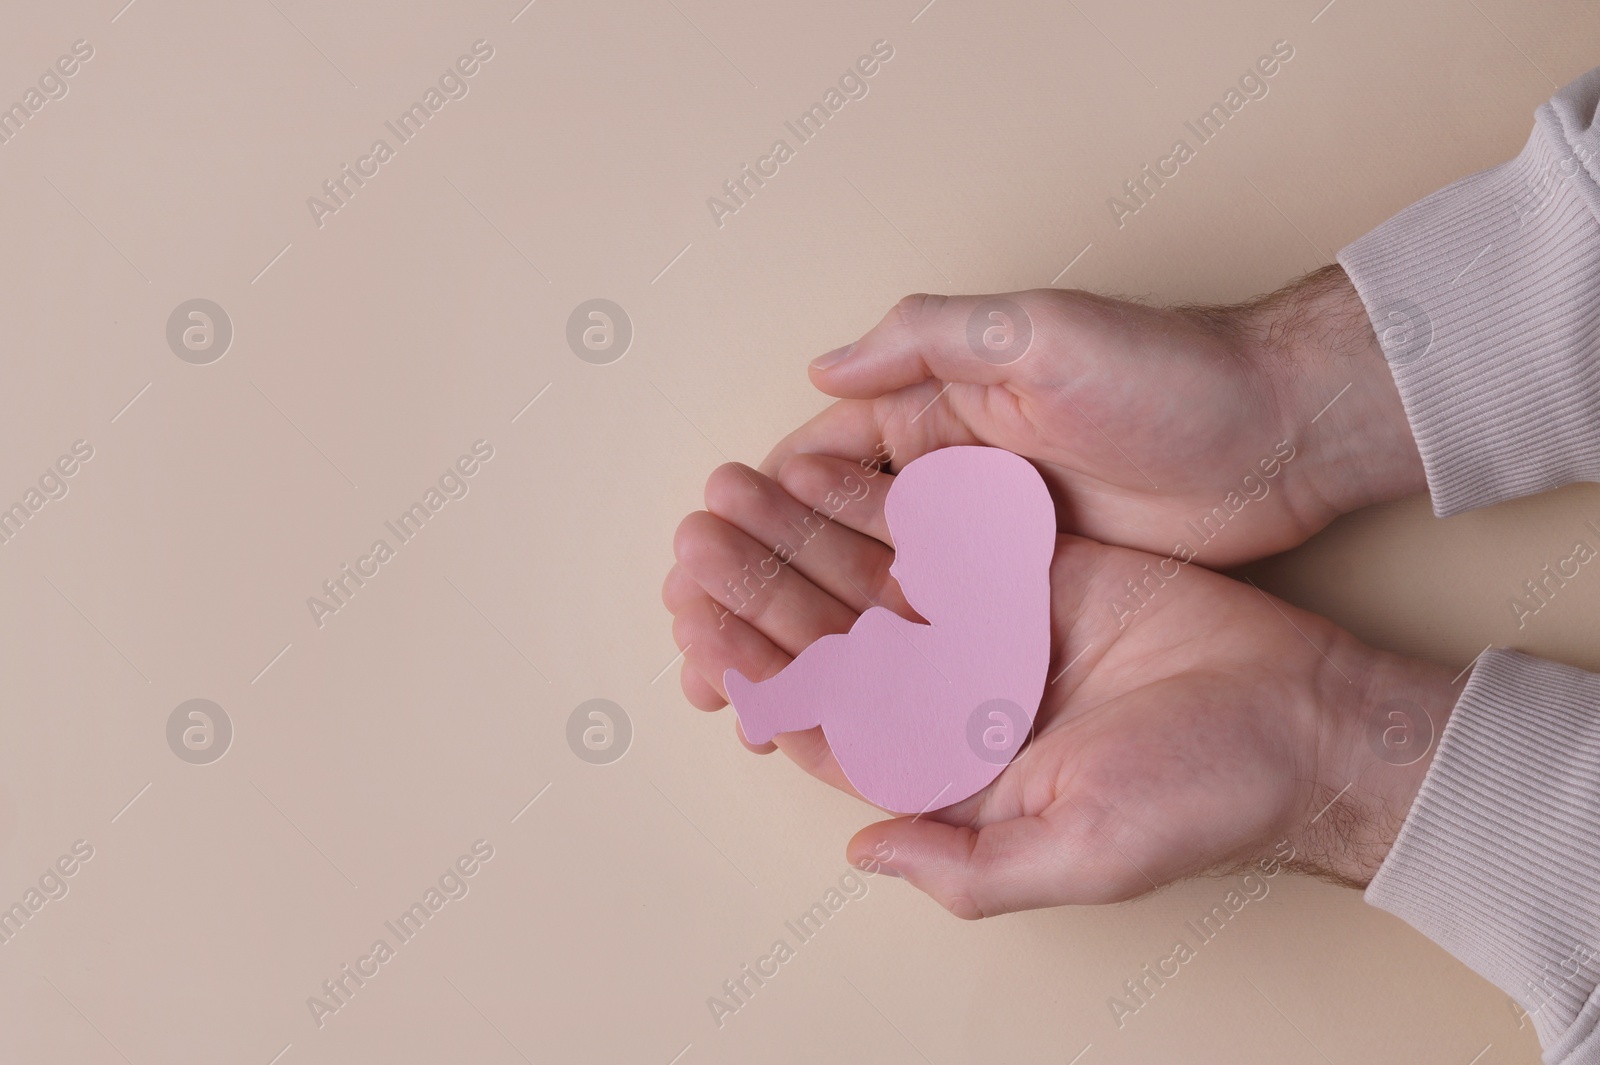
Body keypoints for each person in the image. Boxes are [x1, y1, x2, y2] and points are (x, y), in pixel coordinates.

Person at [664, 66, 1600, 1064]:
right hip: (934, 686)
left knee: (855, 663)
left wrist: (1347, 760)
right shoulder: (938, 632)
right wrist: (1299, 406)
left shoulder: (954, 622)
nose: (918, 570)